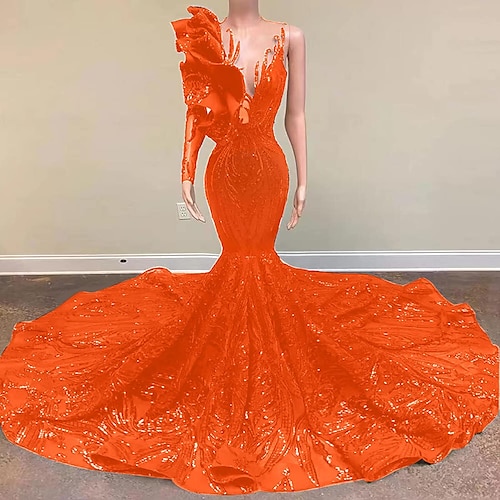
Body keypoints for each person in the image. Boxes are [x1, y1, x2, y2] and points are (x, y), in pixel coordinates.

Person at [0, 1, 498, 496]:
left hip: (269, 168)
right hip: (224, 170)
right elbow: (196, 113)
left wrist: (303, 179)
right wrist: (186, 172)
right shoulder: (206, 37)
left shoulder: (291, 36)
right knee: (236, 262)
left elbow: (296, 114)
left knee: (258, 260)